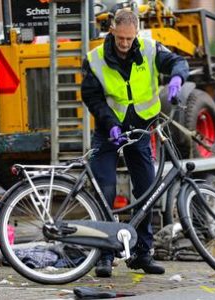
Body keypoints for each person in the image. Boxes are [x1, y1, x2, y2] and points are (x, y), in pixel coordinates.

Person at [81, 9, 189, 278]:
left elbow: (177, 61)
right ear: (113, 31)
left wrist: (177, 78)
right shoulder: (95, 59)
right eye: (121, 39)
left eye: (130, 39)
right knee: (104, 191)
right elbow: (91, 97)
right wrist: (110, 124)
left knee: (146, 190)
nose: (125, 44)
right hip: (109, 131)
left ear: (136, 34)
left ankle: (142, 254)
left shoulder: (150, 49)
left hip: (141, 129)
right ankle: (104, 256)